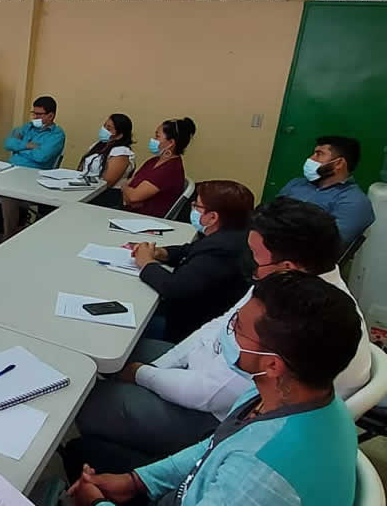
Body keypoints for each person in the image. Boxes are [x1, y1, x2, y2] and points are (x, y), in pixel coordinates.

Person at [70, 196, 372, 475]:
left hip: (218, 419)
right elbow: (217, 326)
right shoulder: (285, 283)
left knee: (88, 401)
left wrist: (142, 376)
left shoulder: (303, 318)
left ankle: (110, 452)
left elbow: (213, 392)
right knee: (115, 353)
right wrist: (158, 368)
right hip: (207, 378)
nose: (250, 264)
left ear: (288, 266)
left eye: (255, 256)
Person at [68, 271, 361, 506]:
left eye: (238, 329)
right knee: (82, 451)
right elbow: (214, 447)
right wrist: (138, 481)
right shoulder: (288, 394)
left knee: (75, 465)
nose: (227, 334)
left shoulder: (258, 476)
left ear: (273, 365)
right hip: (193, 488)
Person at [133, 180, 254, 342]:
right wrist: (160, 253)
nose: (193, 209)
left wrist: (147, 263)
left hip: (187, 330)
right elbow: (189, 250)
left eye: (197, 206)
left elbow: (173, 288)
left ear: (212, 217)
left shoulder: (222, 250)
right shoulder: (231, 234)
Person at [0, 96, 65, 245]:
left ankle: (8, 240)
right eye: (34, 113)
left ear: (51, 115)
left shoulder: (57, 135)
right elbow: (8, 143)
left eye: (39, 114)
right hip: (9, 171)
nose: (34, 117)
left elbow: (42, 156)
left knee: (8, 197)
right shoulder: (27, 127)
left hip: (32, 178)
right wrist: (28, 145)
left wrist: (19, 147)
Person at [278, 135, 374, 247]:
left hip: (297, 257)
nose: (310, 159)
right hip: (267, 243)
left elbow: (328, 245)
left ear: (338, 163)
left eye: (319, 154)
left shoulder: (354, 201)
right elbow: (269, 213)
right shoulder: (296, 184)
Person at [122, 117, 196, 218]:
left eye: (157, 136)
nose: (153, 140)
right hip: (129, 213)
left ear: (171, 143)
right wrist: (129, 193)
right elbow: (130, 187)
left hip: (146, 220)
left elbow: (133, 197)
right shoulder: (153, 161)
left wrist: (126, 190)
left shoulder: (170, 169)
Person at [79, 114, 135, 208]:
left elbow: (107, 183)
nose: (104, 130)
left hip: (106, 197)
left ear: (119, 135)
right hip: (86, 189)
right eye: (104, 126)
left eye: (108, 128)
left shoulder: (121, 152)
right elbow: (83, 167)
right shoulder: (98, 145)